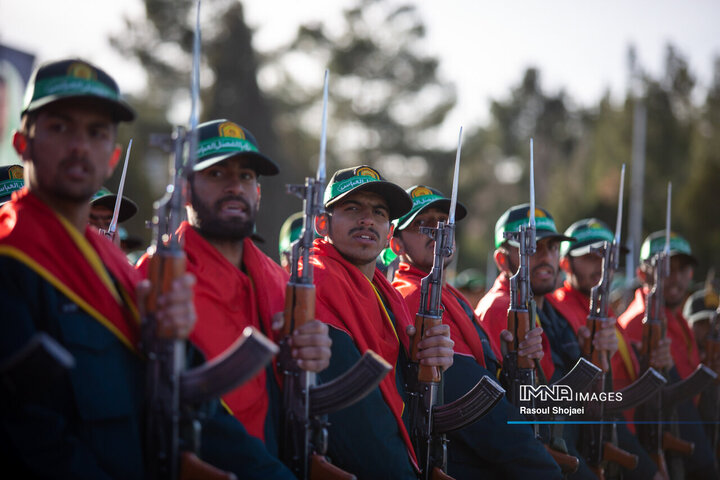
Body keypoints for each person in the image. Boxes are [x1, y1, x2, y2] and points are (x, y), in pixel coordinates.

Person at [0, 58, 293, 479]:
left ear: (112, 156)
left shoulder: (113, 267)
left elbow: (187, 397)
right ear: (21, 142)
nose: (79, 146)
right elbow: (31, 437)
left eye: (96, 132)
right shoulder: (13, 257)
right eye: (60, 127)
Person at [137, 118, 331, 456]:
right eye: (216, 173)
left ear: (257, 192)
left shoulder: (282, 281)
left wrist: (313, 357)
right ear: (184, 189)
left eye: (245, 176)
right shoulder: (155, 276)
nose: (234, 187)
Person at [389, 185, 561, 479]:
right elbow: (473, 402)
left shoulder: (447, 294)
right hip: (461, 460)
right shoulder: (412, 297)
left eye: (445, 223)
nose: (438, 232)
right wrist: (542, 467)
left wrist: (513, 362)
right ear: (397, 245)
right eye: (423, 224)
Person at [310, 165, 454, 479]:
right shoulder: (316, 281)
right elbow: (358, 419)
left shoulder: (386, 294)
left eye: (379, 212)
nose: (367, 219)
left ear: (389, 232)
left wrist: (432, 358)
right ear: (322, 223)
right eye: (352, 208)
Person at [475, 204, 618, 479]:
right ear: (502, 260)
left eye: (552, 247)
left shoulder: (548, 309)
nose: (546, 256)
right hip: (542, 454)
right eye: (532, 247)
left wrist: (599, 357)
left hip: (568, 445)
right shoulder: (500, 308)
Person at [547, 218, 662, 479]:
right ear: (565, 264)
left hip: (621, 435)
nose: (602, 265)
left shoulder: (607, 312)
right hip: (593, 439)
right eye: (590, 257)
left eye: (608, 257)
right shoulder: (558, 310)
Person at [618, 231, 718, 479]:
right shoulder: (636, 322)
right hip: (657, 440)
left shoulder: (678, 318)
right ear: (643, 274)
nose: (675, 277)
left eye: (682, 268)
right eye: (666, 268)